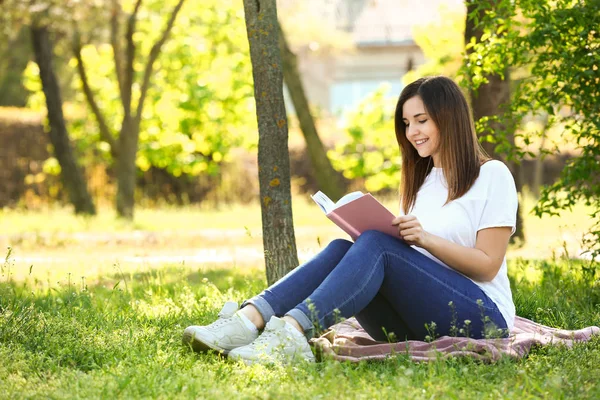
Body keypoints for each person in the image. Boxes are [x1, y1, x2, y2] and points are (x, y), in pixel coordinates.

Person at [182, 76, 518, 365]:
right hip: (414, 320)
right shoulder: (421, 182)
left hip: (481, 315)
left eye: (421, 120)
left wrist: (425, 238)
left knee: (376, 246)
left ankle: (292, 334)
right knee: (344, 246)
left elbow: (487, 265)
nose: (412, 131)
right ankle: (247, 320)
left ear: (449, 119)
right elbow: (410, 266)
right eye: (406, 123)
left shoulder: (491, 175)